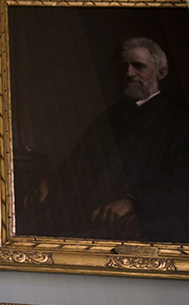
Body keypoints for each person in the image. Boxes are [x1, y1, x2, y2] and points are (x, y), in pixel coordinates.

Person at [17, 38, 189, 243]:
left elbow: (181, 178)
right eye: (123, 66)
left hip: (136, 219)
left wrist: (133, 202)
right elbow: (79, 161)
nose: (129, 73)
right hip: (83, 210)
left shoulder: (180, 119)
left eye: (139, 66)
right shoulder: (112, 115)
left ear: (161, 73)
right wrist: (50, 181)